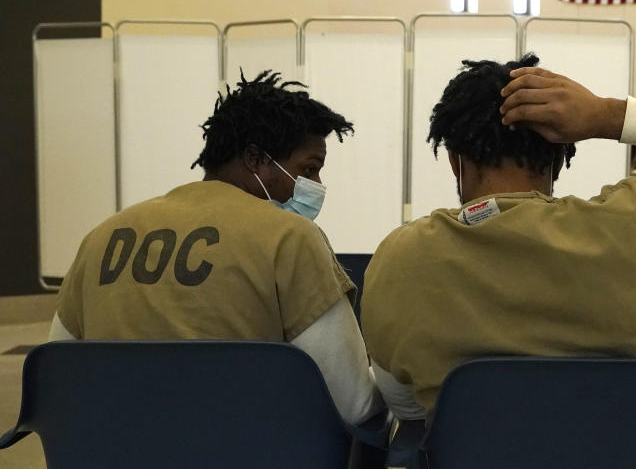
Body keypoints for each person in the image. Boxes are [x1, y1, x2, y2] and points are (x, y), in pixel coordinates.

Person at [361, 54, 636, 420]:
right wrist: (606, 115)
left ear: (455, 160)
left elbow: (405, 406)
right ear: (559, 155)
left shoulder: (400, 259)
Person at [49, 70, 384, 425]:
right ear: (255, 159)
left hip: (109, 449)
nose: (315, 185)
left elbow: (57, 375)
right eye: (309, 169)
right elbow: (353, 403)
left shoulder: (102, 237)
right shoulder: (290, 238)